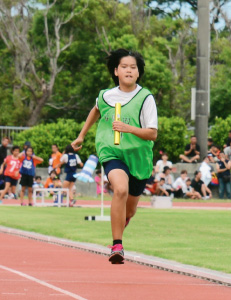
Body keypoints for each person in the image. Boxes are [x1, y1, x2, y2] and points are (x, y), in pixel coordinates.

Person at [71, 49, 158, 264]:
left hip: (138, 157)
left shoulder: (145, 98)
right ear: (116, 71)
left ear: (138, 73)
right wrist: (82, 135)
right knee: (120, 189)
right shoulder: (106, 96)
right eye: (125, 67)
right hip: (111, 151)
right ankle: (117, 245)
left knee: (131, 209)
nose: (129, 70)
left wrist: (128, 128)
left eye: (133, 67)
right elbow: (96, 110)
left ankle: (122, 221)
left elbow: (152, 133)